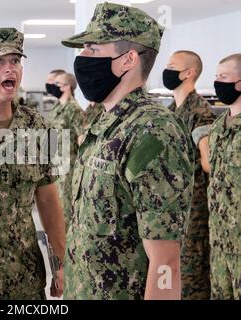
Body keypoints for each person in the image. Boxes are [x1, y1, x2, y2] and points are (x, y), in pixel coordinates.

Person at [62, 2, 194, 300]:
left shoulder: (153, 131)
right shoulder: (107, 122)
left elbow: (165, 263)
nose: (82, 58)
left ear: (128, 59)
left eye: (93, 50)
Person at [0, 27, 66, 299]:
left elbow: (48, 200)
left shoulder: (39, 127)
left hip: (22, 275)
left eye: (15, 61)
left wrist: (60, 262)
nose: (9, 68)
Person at [163, 50, 216, 299]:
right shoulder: (170, 109)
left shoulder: (200, 110)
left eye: (173, 66)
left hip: (193, 208)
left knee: (192, 271)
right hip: (171, 205)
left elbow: (208, 163)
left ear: (189, 72)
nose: (167, 70)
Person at [204, 53, 241, 299]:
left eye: (224, 77)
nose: (219, 83)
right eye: (217, 77)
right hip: (218, 236)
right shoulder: (218, 127)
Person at [45, 72, 84, 228]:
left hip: (68, 168)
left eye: (58, 84)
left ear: (67, 87)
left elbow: (81, 138)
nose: (54, 86)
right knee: (53, 206)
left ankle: (66, 245)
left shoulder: (73, 109)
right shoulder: (56, 107)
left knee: (65, 207)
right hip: (54, 165)